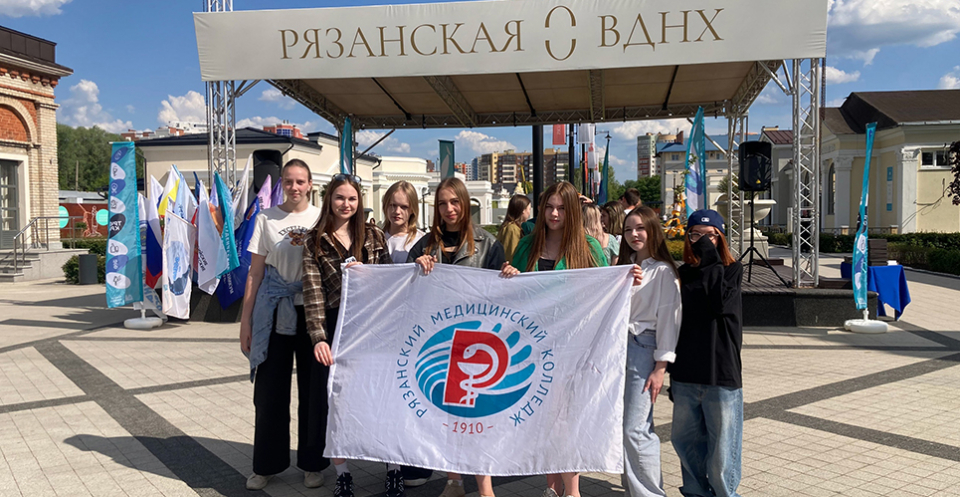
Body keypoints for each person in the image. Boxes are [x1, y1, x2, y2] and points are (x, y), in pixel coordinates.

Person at [501, 181, 607, 497]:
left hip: (574, 347)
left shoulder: (589, 248)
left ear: (572, 211)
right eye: (549, 207)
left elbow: (604, 292)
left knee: (567, 419)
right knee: (545, 418)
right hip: (534, 347)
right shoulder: (526, 245)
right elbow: (513, 297)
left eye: (561, 208)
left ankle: (572, 490)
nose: (554, 213)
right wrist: (509, 276)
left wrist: (628, 280)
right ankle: (551, 486)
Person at [408, 176, 505, 497]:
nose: (448, 209)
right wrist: (415, 268)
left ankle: (484, 486)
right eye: (442, 203)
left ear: (465, 203)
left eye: (454, 202)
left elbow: (502, 295)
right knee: (448, 417)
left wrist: (510, 275)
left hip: (477, 344)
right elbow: (405, 291)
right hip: (439, 343)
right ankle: (453, 481)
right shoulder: (424, 246)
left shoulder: (488, 243)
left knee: (477, 418)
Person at [302, 174, 396, 497]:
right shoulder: (315, 240)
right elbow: (313, 292)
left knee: (382, 397)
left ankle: (393, 469)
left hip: (374, 326)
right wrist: (318, 337)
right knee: (336, 403)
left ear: (360, 201)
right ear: (329, 199)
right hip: (336, 326)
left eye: (352, 198)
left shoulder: (373, 234)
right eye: (340, 198)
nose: (346, 204)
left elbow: (389, 280)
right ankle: (342, 474)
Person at [239, 159, 325, 491]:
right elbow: (255, 274)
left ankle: (313, 463)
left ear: (310, 184)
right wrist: (246, 322)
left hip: (313, 313)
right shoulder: (266, 218)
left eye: (300, 181)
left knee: (313, 392)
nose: (294, 187)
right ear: (282, 184)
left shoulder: (321, 217)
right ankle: (267, 464)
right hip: (274, 310)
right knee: (270, 392)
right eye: (288, 181)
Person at [668, 209, 744, 497]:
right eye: (695, 235)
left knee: (722, 451)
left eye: (710, 235)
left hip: (720, 372)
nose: (702, 241)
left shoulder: (732, 271)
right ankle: (696, 493)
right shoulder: (683, 274)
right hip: (686, 373)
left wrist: (709, 257)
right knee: (686, 444)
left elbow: (719, 303)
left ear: (721, 238)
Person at [617, 207, 682, 497]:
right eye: (628, 229)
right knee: (625, 425)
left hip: (644, 348)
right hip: (618, 349)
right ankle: (634, 488)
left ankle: (650, 493)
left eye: (640, 228)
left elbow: (670, 319)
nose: (634, 234)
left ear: (653, 230)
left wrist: (660, 366)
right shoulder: (623, 266)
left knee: (635, 428)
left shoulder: (663, 272)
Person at [381, 180, 426, 265]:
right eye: (393, 205)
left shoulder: (421, 241)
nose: (397, 211)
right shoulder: (376, 239)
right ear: (386, 206)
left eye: (404, 207)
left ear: (412, 209)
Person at [496, 194, 532, 262]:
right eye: (529, 209)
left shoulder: (510, 226)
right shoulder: (512, 229)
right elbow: (511, 254)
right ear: (523, 210)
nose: (529, 213)